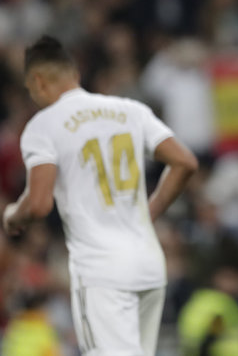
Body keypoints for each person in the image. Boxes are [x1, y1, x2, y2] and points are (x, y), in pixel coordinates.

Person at [2, 36, 198, 355]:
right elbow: (185, 162)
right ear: (75, 75)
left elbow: (38, 204)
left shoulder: (43, 125)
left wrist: (13, 215)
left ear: (37, 81)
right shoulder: (130, 110)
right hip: (147, 263)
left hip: (101, 271)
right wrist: (148, 213)